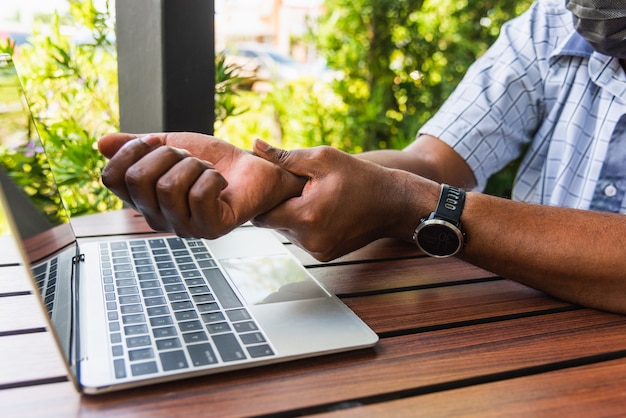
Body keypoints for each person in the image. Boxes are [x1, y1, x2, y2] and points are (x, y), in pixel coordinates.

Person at [98, 0, 626, 315]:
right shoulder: (550, 26)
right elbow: (434, 164)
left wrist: (413, 206)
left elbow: (418, 191)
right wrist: (286, 180)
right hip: (539, 334)